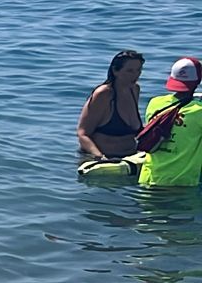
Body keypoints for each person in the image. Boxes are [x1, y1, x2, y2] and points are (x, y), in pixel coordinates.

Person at [139, 58, 202, 188]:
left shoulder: (155, 103)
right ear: (198, 81)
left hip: (147, 178)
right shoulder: (199, 111)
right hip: (179, 183)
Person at [77, 50, 144, 159]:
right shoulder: (104, 94)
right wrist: (100, 157)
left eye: (138, 70)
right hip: (101, 160)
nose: (135, 75)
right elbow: (83, 134)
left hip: (130, 157)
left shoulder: (134, 90)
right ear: (115, 71)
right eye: (130, 71)